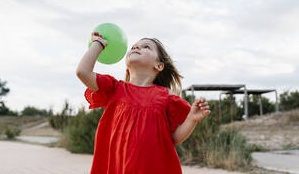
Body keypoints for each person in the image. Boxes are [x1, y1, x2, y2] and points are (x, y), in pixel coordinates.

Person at [76, 31, 211, 174]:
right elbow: (82, 72)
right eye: (134, 47)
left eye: (146, 47)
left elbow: (175, 138)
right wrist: (98, 44)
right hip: (118, 168)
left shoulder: (166, 97)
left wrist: (191, 119)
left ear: (159, 66)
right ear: (127, 68)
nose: (136, 48)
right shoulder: (114, 88)